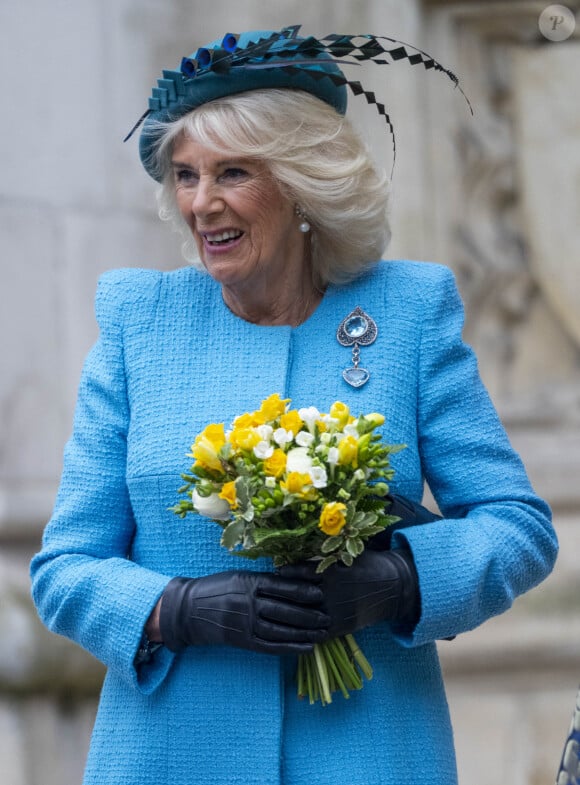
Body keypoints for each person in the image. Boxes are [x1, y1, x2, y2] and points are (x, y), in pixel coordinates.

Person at [30, 26, 558, 785]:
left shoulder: (406, 313)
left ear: (302, 181)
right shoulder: (138, 322)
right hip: (173, 758)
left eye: (233, 173)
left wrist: (402, 580)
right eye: (185, 175)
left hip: (372, 754)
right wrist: (177, 608)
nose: (201, 203)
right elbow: (64, 568)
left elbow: (520, 529)